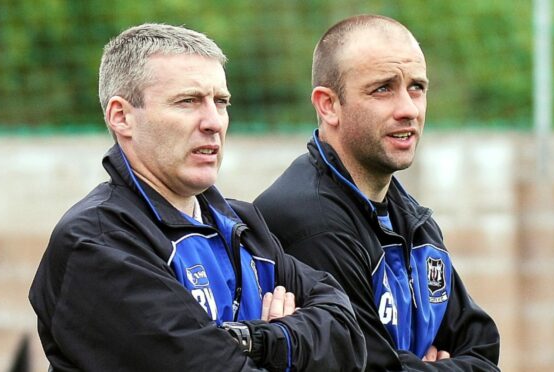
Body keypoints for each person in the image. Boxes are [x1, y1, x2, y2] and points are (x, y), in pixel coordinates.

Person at [28, 23, 366, 372]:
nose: (213, 122)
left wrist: (262, 340)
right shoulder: (97, 242)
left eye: (221, 102)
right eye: (187, 101)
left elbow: (350, 338)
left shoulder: (243, 225)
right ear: (122, 116)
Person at [254, 14, 500, 371]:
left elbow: (483, 350)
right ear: (328, 105)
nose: (408, 109)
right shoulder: (310, 221)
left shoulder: (410, 218)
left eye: (417, 87)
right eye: (383, 88)